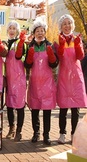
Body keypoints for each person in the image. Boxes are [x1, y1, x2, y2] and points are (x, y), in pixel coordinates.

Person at [24, 16, 58, 145]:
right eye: (37, 31)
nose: (40, 33)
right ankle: (36, 133)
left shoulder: (50, 46)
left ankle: (46, 135)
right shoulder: (30, 46)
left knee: (47, 110)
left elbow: (54, 64)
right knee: (35, 109)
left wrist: (51, 55)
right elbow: (27, 65)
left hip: (47, 83)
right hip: (35, 82)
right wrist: (30, 57)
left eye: (42, 30)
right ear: (34, 33)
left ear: (45, 32)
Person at [55, 14, 87, 144]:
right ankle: (62, 133)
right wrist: (62, 45)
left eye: (69, 23)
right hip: (64, 77)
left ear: (72, 25)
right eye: (64, 24)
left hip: (76, 77)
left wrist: (79, 45)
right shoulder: (58, 41)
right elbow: (60, 56)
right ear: (61, 26)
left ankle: (74, 134)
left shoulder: (77, 39)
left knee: (75, 109)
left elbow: (80, 57)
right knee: (63, 107)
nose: (67, 26)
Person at [5, 20, 27, 142]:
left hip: (19, 79)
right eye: (10, 28)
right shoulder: (5, 43)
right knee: (9, 105)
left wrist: (22, 43)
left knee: (20, 106)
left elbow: (21, 56)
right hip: (9, 78)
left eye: (14, 28)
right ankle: (11, 128)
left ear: (17, 31)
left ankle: (19, 131)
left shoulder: (21, 43)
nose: (12, 30)